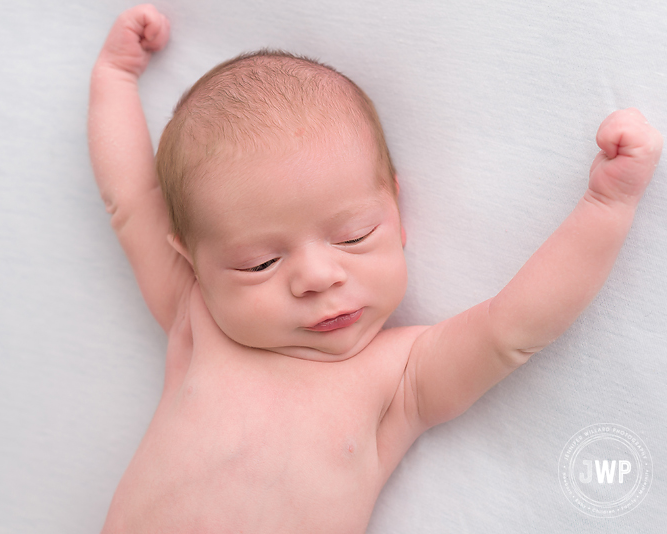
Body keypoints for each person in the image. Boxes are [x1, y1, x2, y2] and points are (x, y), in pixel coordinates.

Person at [87, 5, 662, 532]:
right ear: (194, 263)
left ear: (398, 213)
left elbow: (514, 329)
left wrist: (607, 205)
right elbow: (131, 199)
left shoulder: (400, 378)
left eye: (354, 235)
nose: (317, 276)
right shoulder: (199, 321)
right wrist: (114, 77)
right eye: (259, 262)